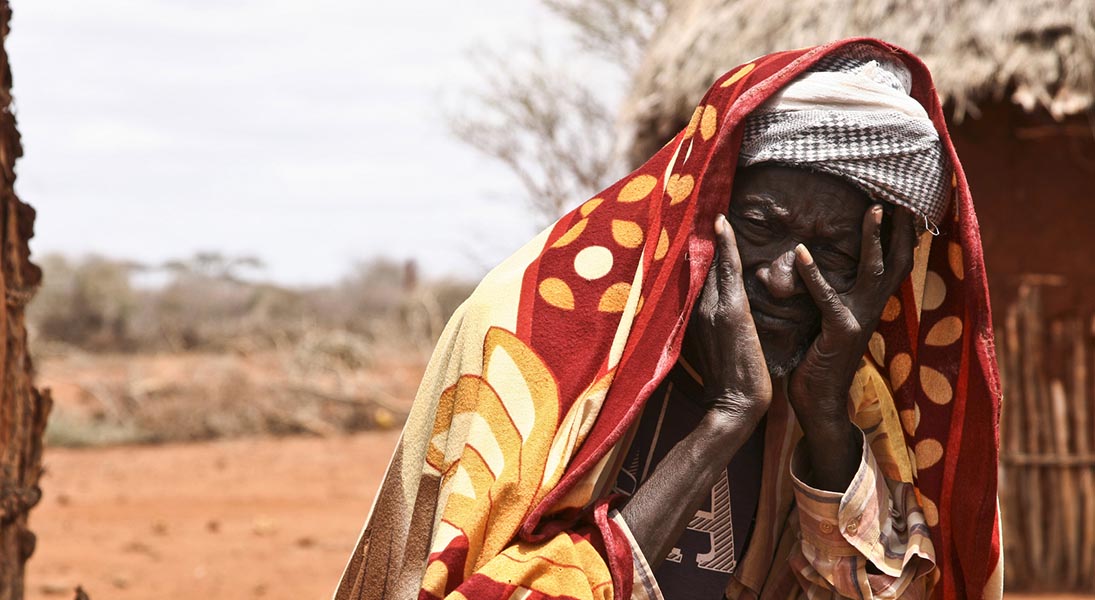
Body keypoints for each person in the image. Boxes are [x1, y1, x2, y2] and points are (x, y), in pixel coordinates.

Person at [334, 39, 1002, 600]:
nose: (780, 277)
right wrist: (727, 418)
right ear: (700, 204)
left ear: (878, 271)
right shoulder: (537, 338)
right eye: (760, 226)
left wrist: (825, 418)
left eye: (832, 252)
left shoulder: (850, 394)